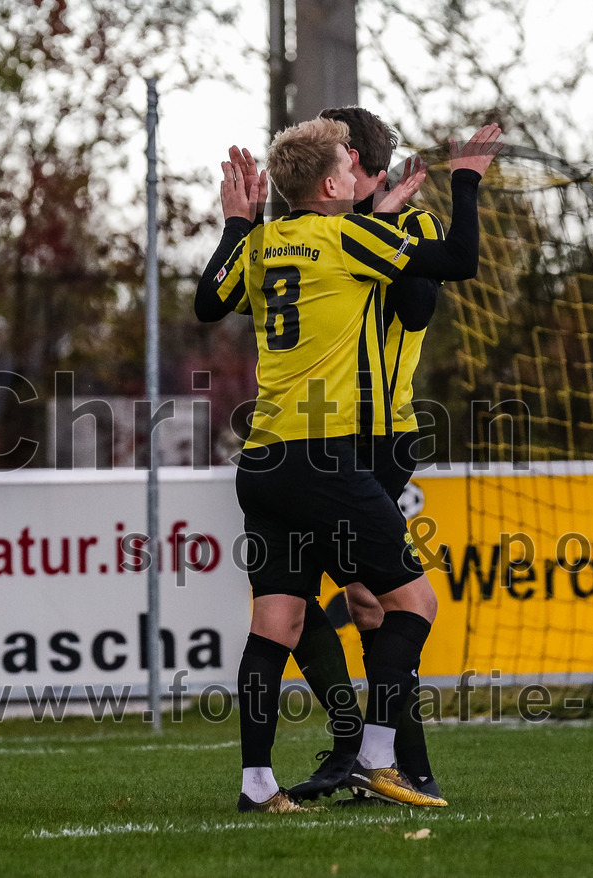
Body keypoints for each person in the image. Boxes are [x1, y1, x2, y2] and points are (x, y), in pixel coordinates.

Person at [195, 117, 502, 812]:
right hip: (323, 457)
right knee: (413, 601)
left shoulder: (266, 241)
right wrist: (465, 181)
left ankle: (257, 784)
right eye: (348, 162)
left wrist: (238, 223)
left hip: (263, 459)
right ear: (337, 183)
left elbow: (208, 301)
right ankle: (374, 757)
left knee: (277, 621)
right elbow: (458, 261)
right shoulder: (348, 238)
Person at [287, 106, 445, 806]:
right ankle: (371, 751)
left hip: (380, 437)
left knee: (366, 599)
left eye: (339, 155)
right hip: (314, 436)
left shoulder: (407, 225)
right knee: (290, 599)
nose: (331, 165)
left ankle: (381, 758)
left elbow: (415, 311)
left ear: (366, 170)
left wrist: (377, 219)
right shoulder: (313, 231)